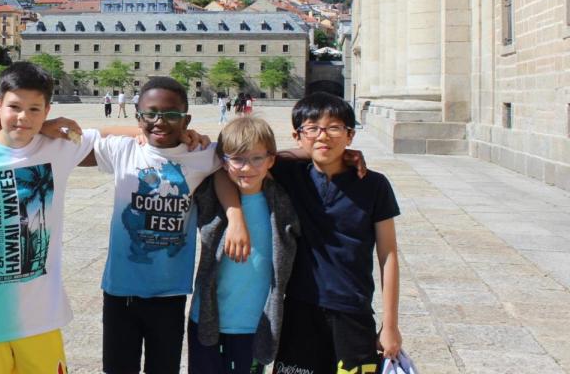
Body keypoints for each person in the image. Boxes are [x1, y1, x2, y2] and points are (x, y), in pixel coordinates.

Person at [0, 62, 98, 374]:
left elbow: (125, 138)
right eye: (14, 107)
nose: (23, 117)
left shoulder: (58, 146)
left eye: (34, 109)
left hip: (40, 318)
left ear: (47, 110)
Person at [91, 77, 246, 374]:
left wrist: (235, 216)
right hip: (121, 289)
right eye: (150, 113)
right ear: (139, 117)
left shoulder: (201, 154)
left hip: (169, 291)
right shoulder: (124, 151)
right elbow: (71, 137)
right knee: (118, 367)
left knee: (164, 367)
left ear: (186, 119)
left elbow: (229, 168)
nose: (160, 121)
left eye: (172, 114)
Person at [272, 93, 402, 373]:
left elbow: (388, 253)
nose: (323, 136)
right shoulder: (292, 175)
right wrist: (315, 148)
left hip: (352, 310)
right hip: (300, 307)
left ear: (350, 134)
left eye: (334, 128)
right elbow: (245, 156)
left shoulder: (374, 185)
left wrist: (390, 325)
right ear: (297, 135)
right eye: (312, 128)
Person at [189, 117, 299, 374]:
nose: (246, 167)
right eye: (237, 159)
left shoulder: (284, 202)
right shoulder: (211, 197)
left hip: (255, 325)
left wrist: (348, 153)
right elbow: (198, 158)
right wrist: (234, 216)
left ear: (271, 160)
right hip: (206, 320)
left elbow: (310, 158)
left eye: (256, 159)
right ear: (224, 161)